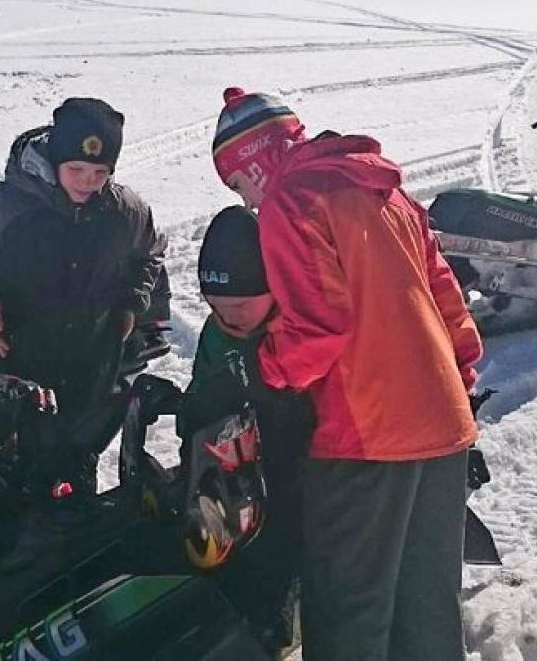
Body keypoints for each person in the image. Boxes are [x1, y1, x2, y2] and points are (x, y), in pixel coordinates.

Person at [210, 87, 483, 661]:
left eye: (238, 185)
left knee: (348, 609)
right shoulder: (385, 192)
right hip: (443, 426)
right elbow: (445, 298)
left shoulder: (292, 199)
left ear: (255, 161)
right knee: (427, 604)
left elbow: (318, 325)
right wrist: (459, 376)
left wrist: (265, 371)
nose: (249, 203)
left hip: (366, 436)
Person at [0, 97, 166, 494]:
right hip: (18, 361)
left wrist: (130, 304)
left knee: (76, 460)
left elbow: (150, 255)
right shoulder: (7, 208)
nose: (88, 181)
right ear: (54, 161)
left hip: (93, 360)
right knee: (18, 475)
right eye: (76, 168)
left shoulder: (125, 212)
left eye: (99, 171)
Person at [178, 205, 312, 656]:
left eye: (238, 305)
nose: (227, 316)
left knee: (284, 543)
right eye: (215, 306)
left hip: (298, 471)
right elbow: (202, 391)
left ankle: (280, 621)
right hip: (238, 470)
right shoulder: (219, 334)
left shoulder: (298, 329)